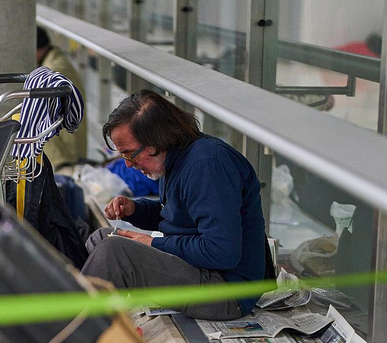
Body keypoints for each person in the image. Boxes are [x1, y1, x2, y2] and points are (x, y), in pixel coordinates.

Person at [81, 91, 267, 321]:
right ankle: (84, 319)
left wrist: (153, 242)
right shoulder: (177, 159)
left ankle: (75, 335)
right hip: (199, 268)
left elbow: (222, 252)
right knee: (103, 238)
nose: (128, 165)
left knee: (114, 253)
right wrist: (136, 210)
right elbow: (176, 217)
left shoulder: (207, 166)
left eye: (130, 155)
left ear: (156, 142)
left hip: (227, 291)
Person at [36, 27, 87, 169]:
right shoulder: (56, 61)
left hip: (64, 154)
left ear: (37, 49)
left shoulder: (54, 70)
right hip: (65, 148)